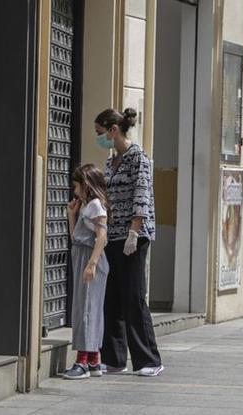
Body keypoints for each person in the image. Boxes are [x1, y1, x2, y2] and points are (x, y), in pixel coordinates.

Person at [95, 108, 164, 377]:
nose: (98, 138)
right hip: (112, 236)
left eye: (100, 133)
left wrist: (134, 233)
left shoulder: (139, 159)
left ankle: (149, 360)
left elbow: (142, 196)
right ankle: (113, 358)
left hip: (134, 236)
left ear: (114, 130)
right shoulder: (110, 162)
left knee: (134, 296)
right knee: (112, 297)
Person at [61, 165, 110, 380]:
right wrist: (72, 216)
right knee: (86, 308)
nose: (74, 190)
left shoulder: (95, 206)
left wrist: (91, 264)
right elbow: (77, 237)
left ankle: (82, 361)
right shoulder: (86, 206)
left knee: (86, 310)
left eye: (76, 185)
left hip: (91, 260)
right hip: (84, 257)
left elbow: (102, 237)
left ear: (86, 184)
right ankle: (93, 359)